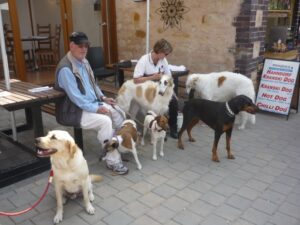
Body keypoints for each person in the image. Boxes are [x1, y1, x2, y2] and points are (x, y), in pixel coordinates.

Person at [54, 31, 128, 175]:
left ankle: (117, 148)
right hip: (73, 111)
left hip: (90, 104)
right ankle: (113, 161)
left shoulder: (84, 61)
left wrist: (103, 98)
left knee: (118, 112)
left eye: (86, 45)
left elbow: (93, 84)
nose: (84, 49)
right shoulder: (66, 69)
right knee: (105, 121)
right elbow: (77, 98)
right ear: (71, 46)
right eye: (80, 45)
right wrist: (96, 108)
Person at [133, 38, 178, 138]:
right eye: (165, 54)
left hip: (160, 88)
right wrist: (152, 77)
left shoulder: (163, 60)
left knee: (173, 102)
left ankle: (173, 128)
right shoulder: (144, 60)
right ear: (159, 51)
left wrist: (171, 91)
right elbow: (136, 80)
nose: (166, 56)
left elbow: (169, 77)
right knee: (156, 105)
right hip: (147, 90)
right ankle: (156, 128)